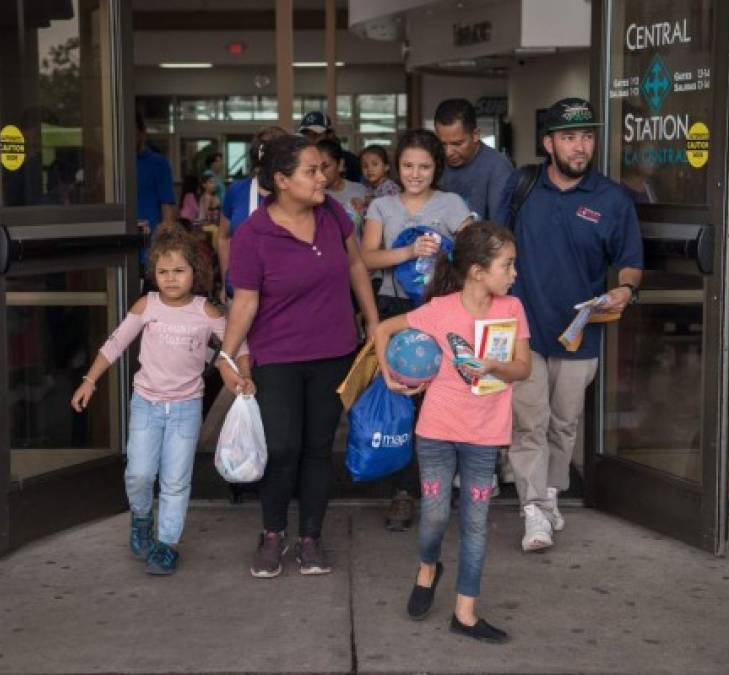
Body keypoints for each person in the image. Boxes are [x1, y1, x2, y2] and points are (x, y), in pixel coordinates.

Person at [217, 134, 379, 578]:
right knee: (283, 446)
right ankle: (273, 533)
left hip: (334, 350)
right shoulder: (253, 234)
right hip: (278, 356)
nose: (323, 176)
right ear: (282, 180)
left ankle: (310, 536)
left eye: (322, 168)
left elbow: (356, 267)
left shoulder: (332, 214)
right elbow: (245, 302)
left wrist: (374, 323)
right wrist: (227, 356)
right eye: (311, 170)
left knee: (317, 447)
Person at [497, 97, 643, 552]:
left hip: (580, 331)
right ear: (548, 143)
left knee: (564, 423)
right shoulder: (522, 188)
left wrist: (625, 290)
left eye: (586, 137)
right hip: (523, 330)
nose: (580, 147)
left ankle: (552, 493)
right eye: (568, 137)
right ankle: (533, 510)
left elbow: (629, 262)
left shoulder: (612, 199)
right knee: (529, 423)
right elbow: (494, 247)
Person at [374, 221, 531, 643]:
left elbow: (524, 367)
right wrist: (391, 374)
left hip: (485, 433)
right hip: (438, 430)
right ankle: (428, 567)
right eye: (508, 265)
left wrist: (494, 366)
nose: (515, 274)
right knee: (435, 515)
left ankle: (465, 612)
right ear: (478, 271)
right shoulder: (440, 309)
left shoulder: (511, 308)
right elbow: (382, 329)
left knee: (476, 521)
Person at [70, 228, 249, 575]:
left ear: (194, 272)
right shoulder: (147, 305)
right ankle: (140, 517)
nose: (170, 279)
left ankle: (167, 544)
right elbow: (115, 344)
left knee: (176, 480)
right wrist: (89, 380)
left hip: (185, 409)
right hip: (146, 405)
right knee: (138, 473)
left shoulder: (206, 312)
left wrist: (243, 373)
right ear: (154, 273)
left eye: (179, 271)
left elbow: (237, 346)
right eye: (163, 272)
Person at [361, 128, 474, 531]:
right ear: (397, 166)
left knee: (442, 401)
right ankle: (403, 493)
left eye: (424, 166)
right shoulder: (382, 207)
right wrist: (409, 251)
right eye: (408, 165)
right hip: (396, 310)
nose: (415, 173)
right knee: (402, 404)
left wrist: (445, 250)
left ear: (436, 168)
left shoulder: (452, 203)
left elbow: (473, 250)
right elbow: (368, 258)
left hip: (441, 310)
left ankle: (441, 488)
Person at [216, 126, 288, 303]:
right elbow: (224, 238)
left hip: (283, 296)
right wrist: (226, 280)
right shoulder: (237, 191)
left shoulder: (294, 194)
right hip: (240, 291)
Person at [434, 98, 514, 223]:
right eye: (443, 144)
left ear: (475, 135)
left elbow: (500, 228)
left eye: (457, 143)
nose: (448, 152)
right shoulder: (433, 162)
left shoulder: (498, 167)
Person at [135, 111, 177, 282]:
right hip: (117, 249)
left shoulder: (158, 163)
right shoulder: (113, 164)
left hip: (148, 250)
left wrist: (165, 250)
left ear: (142, 132)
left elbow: (168, 208)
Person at [316, 138, 370, 232]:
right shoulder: (315, 197)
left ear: (340, 164)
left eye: (326, 166)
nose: (320, 172)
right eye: (316, 167)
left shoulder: (361, 191)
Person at [298, 111, 362, 182]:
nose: (311, 140)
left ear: (330, 134)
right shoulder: (300, 160)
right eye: (307, 136)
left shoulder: (350, 161)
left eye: (316, 135)